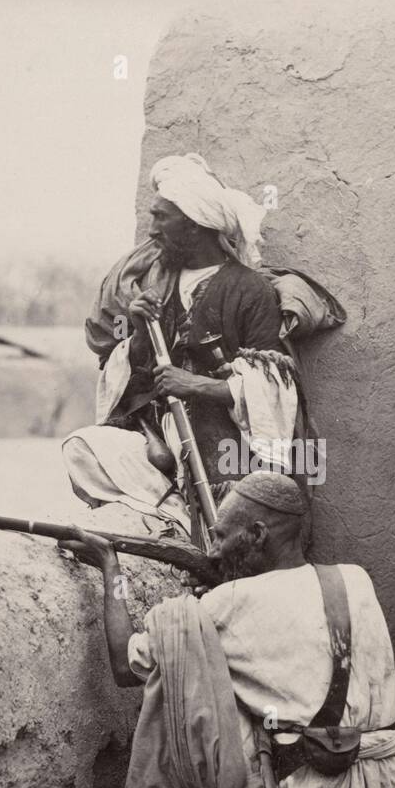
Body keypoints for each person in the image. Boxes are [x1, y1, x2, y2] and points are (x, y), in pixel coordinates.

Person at [60, 472, 395, 788]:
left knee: (179, 662)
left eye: (221, 536)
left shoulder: (227, 604)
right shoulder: (355, 579)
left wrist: (111, 568)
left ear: (258, 534)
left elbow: (124, 667)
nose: (212, 550)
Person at [66, 154, 309, 534]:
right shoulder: (157, 285)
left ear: (194, 225)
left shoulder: (249, 289)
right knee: (82, 448)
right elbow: (137, 383)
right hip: (164, 441)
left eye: (162, 217)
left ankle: (189, 517)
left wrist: (196, 385)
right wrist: (140, 330)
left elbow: (277, 390)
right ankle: (176, 515)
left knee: (238, 498)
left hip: (229, 447)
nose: (152, 230)